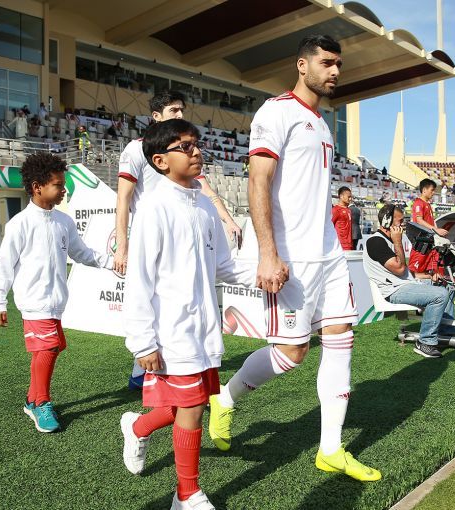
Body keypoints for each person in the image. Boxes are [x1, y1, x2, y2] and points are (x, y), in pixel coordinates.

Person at [207, 34, 381, 482]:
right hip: (291, 256)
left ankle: (331, 449)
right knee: (293, 352)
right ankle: (225, 398)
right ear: (302, 65)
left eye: (339, 64)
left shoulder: (323, 123)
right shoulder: (276, 111)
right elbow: (258, 182)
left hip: (329, 253)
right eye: (327, 63)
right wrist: (268, 253)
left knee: (341, 338)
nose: (335, 71)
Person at [120, 119, 253, 510]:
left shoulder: (206, 206)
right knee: (192, 408)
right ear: (160, 161)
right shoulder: (154, 208)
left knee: (186, 403)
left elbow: (224, 267)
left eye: (196, 144)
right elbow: (139, 280)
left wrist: (265, 274)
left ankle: (137, 426)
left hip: (203, 328)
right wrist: (142, 341)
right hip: (170, 331)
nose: (195, 152)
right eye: (185, 146)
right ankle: (187, 495)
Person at [114, 90, 243, 389]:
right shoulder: (136, 150)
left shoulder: (187, 154)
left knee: (187, 305)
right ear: (155, 116)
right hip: (156, 232)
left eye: (182, 110)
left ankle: (158, 378)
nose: (180, 115)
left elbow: (206, 191)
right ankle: (145, 368)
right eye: (173, 110)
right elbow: (123, 198)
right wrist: (123, 246)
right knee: (155, 297)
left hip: (185, 226)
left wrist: (227, 219)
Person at [0, 153, 114, 433]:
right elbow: (4, 265)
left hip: (56, 301)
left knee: (52, 347)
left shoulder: (64, 222)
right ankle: (41, 403)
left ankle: (32, 399)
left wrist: (112, 262)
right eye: (58, 185)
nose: (63, 190)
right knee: (48, 347)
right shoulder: (19, 224)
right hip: (34, 301)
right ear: (37, 187)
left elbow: (82, 253)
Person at [364, 204, 455, 358]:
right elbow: (400, 269)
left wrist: (428, 276)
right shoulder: (376, 242)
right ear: (387, 221)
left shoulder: (388, 240)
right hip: (393, 290)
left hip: (403, 284)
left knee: (447, 287)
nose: (403, 225)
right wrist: (398, 242)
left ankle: (443, 333)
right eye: (400, 221)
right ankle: (425, 342)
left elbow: (405, 273)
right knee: (440, 295)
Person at [408, 178, 449, 275]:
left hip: (429, 240)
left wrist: (438, 232)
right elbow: (419, 220)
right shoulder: (418, 203)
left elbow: (432, 221)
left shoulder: (428, 204)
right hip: (421, 242)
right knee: (415, 270)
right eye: (432, 190)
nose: (433, 193)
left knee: (431, 268)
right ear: (424, 190)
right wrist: (436, 230)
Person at [331, 186, 353, 250]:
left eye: (351, 197)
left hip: (349, 244)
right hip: (340, 245)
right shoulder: (335, 210)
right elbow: (330, 226)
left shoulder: (348, 210)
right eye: (348, 197)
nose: (350, 199)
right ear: (341, 196)